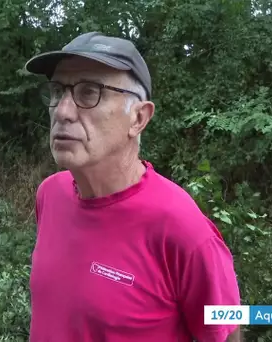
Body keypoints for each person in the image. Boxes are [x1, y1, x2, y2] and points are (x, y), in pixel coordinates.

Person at [24, 32, 242, 342]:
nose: (62, 111)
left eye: (89, 93)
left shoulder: (183, 230)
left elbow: (225, 333)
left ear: (138, 119)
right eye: (58, 91)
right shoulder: (50, 195)